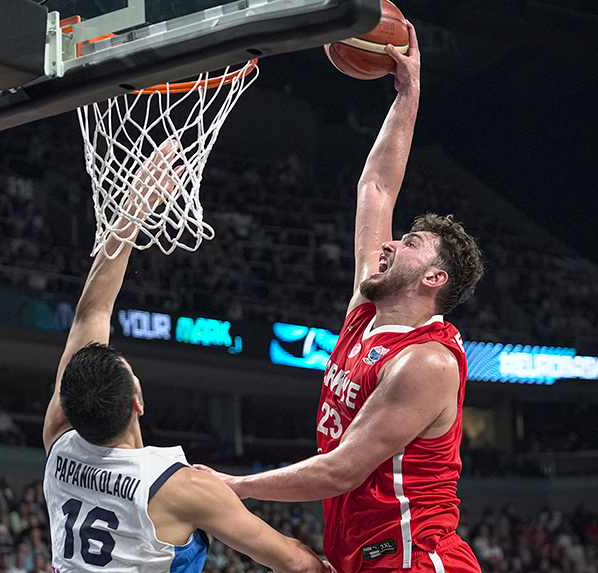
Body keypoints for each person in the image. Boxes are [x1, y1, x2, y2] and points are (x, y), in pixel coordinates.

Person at [198, 22, 484, 573]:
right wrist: (408, 93)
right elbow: (376, 188)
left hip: (415, 561)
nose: (391, 243)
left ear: (433, 279)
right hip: (363, 556)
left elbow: (340, 470)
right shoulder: (365, 312)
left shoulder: (426, 362)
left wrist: (234, 486)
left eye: (410, 243)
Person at [41, 141, 331, 573]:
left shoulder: (60, 442)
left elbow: (92, 314)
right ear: (137, 402)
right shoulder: (179, 488)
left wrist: (131, 213)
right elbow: (298, 564)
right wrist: (134, 210)